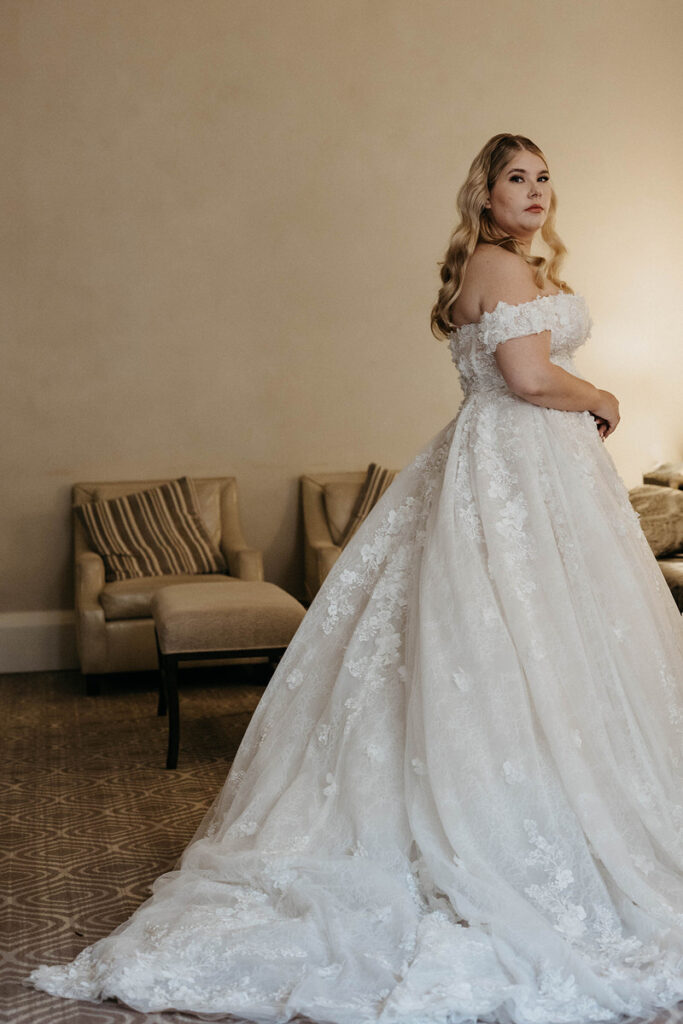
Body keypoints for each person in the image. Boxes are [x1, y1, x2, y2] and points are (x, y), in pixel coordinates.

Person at [30, 133, 683, 1024]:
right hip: (518, 474)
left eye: (541, 178)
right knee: (525, 651)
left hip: (518, 475)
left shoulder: (492, 269)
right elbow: (526, 377)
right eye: (515, 179)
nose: (534, 192)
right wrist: (601, 396)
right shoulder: (501, 268)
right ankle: (525, 828)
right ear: (484, 198)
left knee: (522, 652)